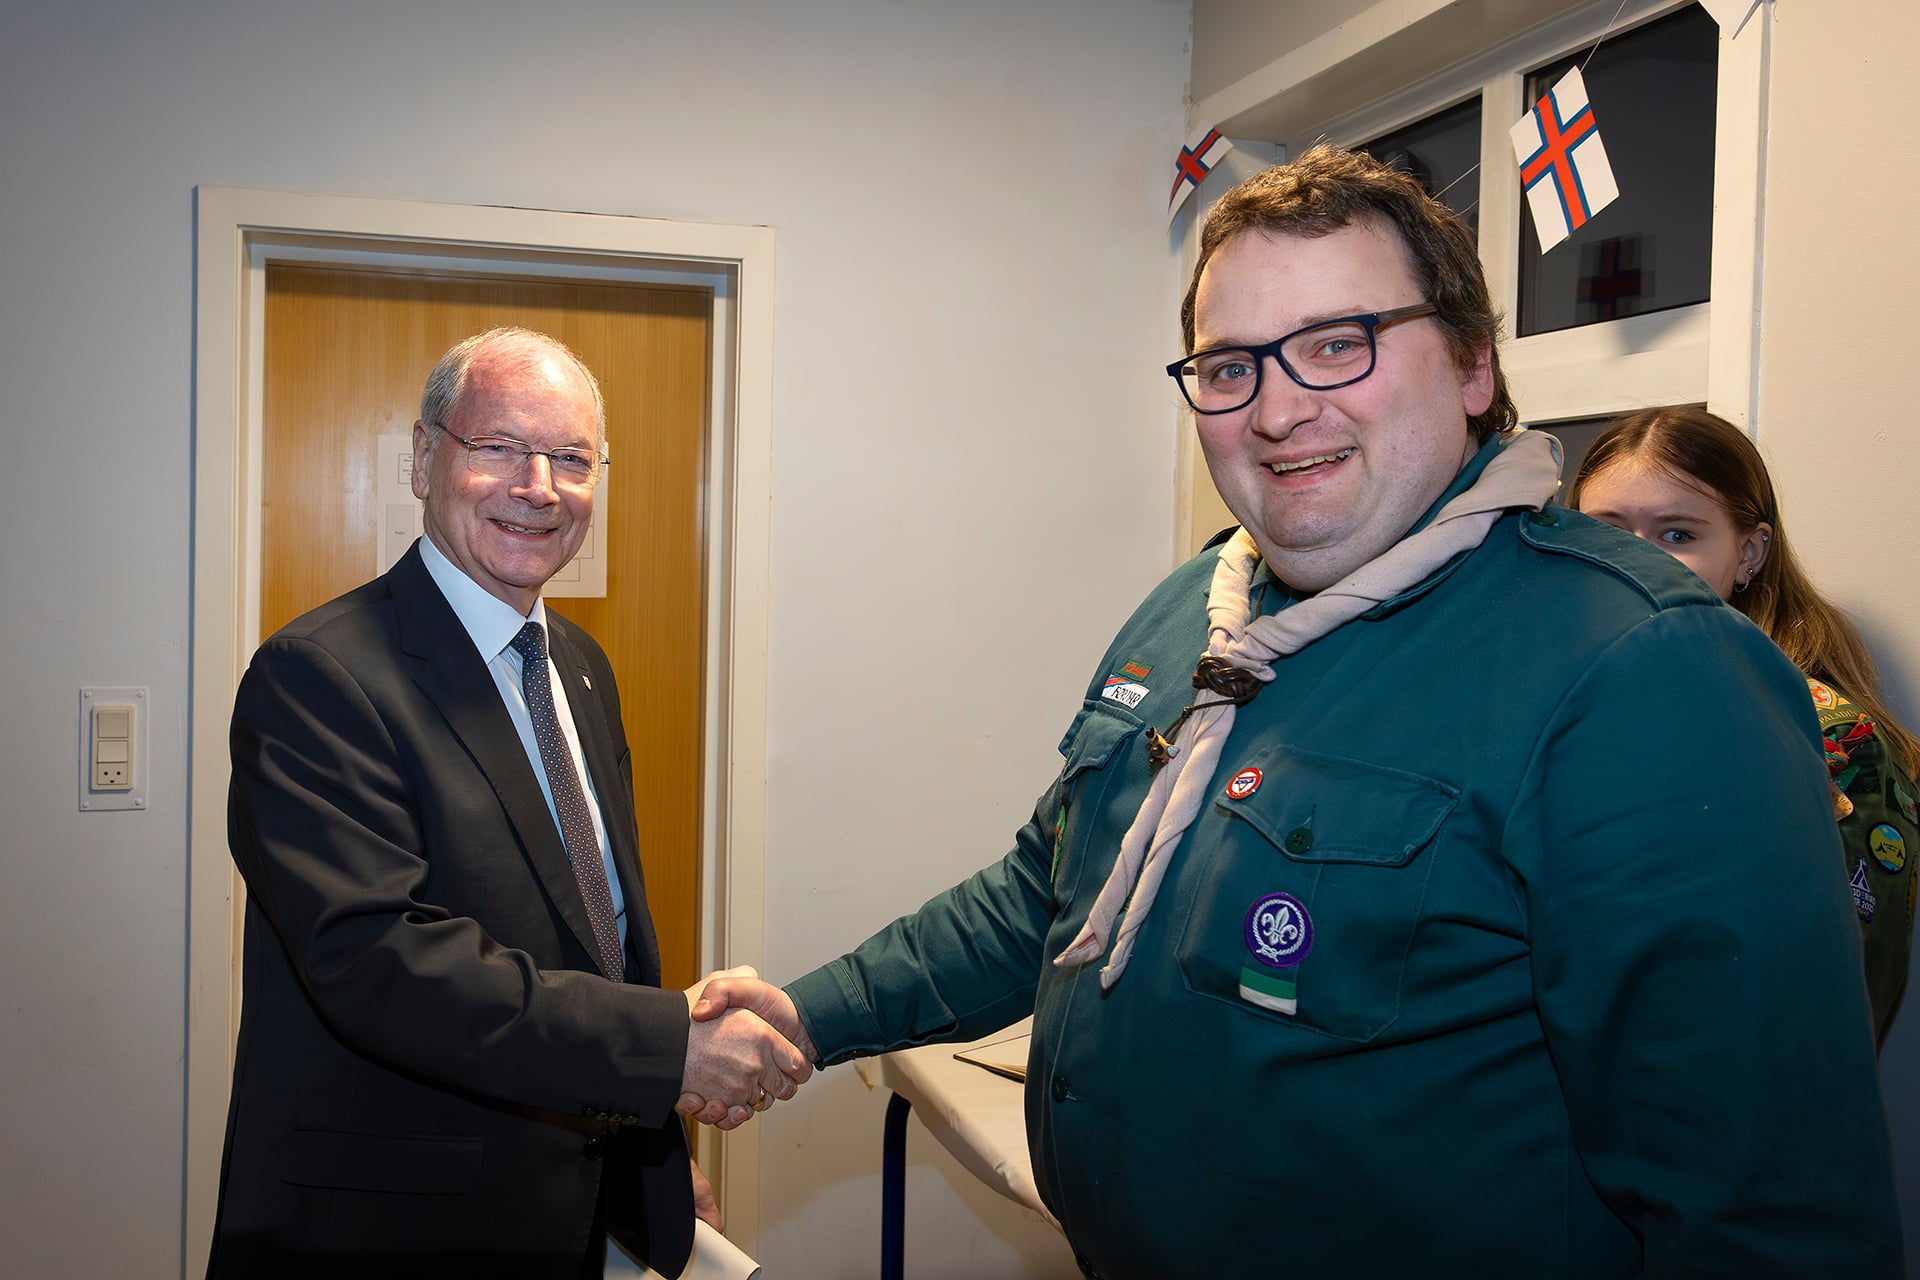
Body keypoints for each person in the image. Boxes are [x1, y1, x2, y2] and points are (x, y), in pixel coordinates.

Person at [687, 147, 1902, 1276]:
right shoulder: (1200, 606)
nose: (1276, 410)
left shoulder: (1645, 670)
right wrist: (809, 1010)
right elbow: (1047, 891)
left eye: (1338, 343)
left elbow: (1764, 1209)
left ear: (1473, 365)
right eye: (1231, 366)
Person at [210, 328, 810, 1279]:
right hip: (398, 1227)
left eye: (572, 458)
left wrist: (649, 1160)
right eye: (498, 447)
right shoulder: (318, 677)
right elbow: (383, 964)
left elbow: (595, 940)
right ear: (424, 459)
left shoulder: (579, 667)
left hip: (579, 1203)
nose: (539, 487)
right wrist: (666, 1052)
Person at [1569, 405, 1920, 1045]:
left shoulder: (1829, 739)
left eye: (1678, 534)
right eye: (1605, 532)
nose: (1633, 562)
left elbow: (1827, 997)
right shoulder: (1564, 703)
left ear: (1749, 553)